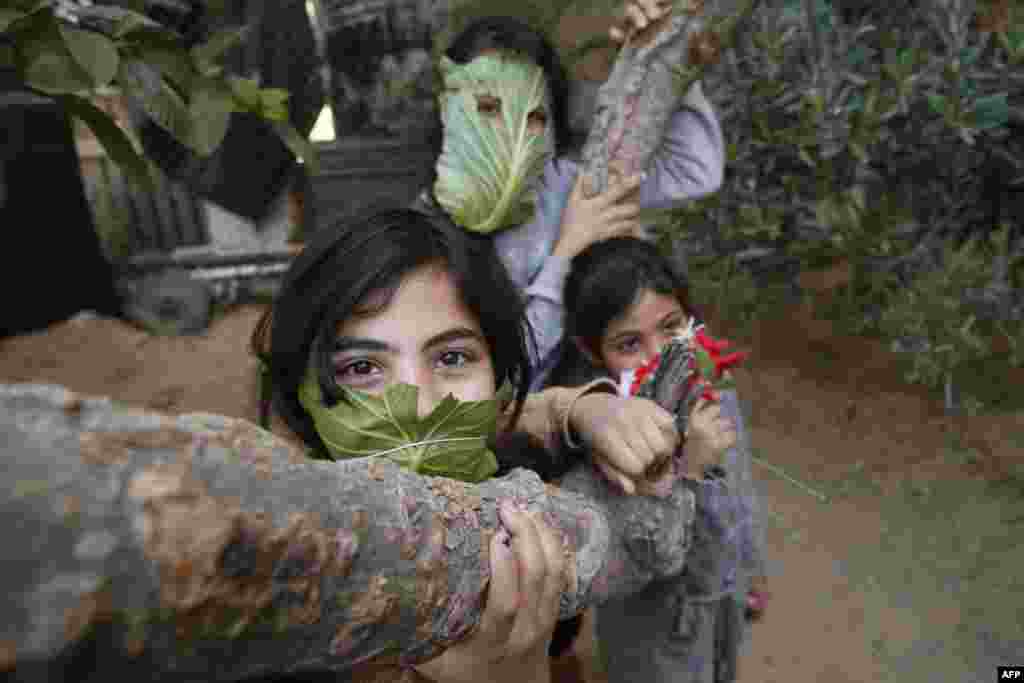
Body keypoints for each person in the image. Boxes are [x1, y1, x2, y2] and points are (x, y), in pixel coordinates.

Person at [250, 209, 721, 683]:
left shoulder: (523, 473)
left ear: (500, 383)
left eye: (452, 357)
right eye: (360, 368)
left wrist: (584, 409)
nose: (419, 405)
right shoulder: (279, 604)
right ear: (302, 394)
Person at [415, 3, 726, 390]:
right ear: (449, 113)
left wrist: (658, 57)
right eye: (489, 108)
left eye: (535, 118)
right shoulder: (422, 237)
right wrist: (569, 250)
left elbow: (692, 171)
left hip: (606, 409)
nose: (513, 136)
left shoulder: (564, 183)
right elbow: (499, 384)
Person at [555, 236, 769, 683]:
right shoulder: (611, 442)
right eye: (629, 344)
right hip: (654, 630)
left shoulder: (716, 394)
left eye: (672, 328)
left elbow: (741, 488)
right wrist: (688, 468)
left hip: (722, 598)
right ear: (593, 351)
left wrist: (751, 567)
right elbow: (651, 554)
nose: (660, 354)